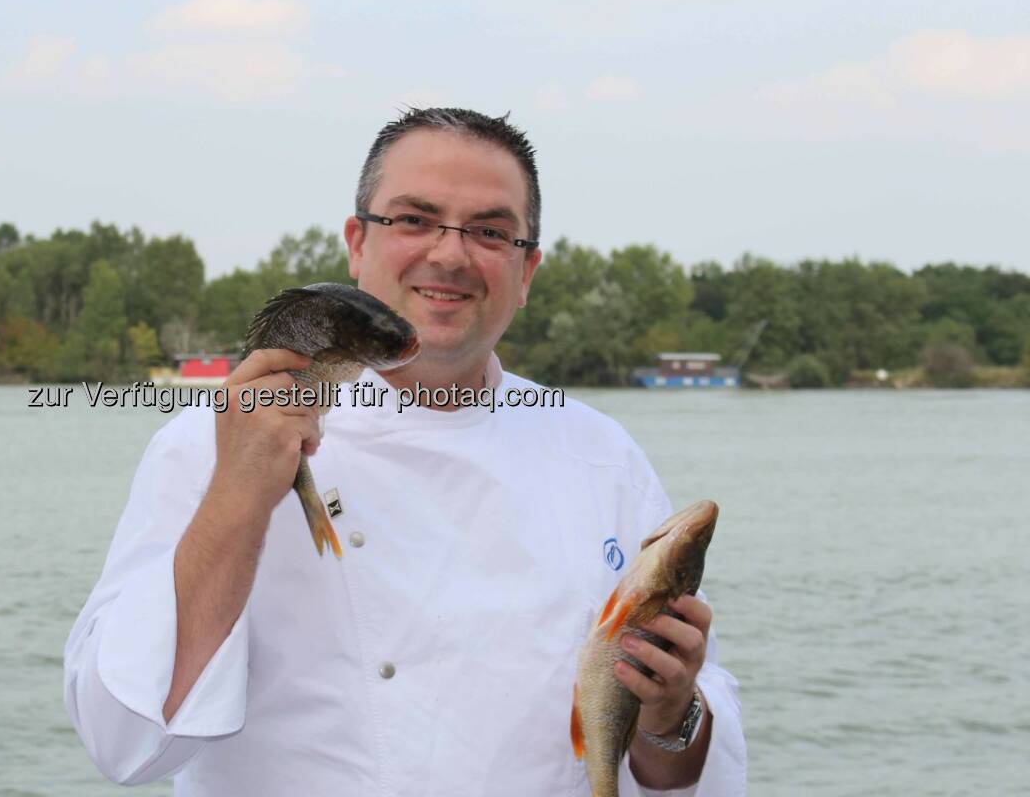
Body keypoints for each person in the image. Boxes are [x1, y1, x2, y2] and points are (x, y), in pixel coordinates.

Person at [64, 107, 747, 794]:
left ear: (528, 269)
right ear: (357, 244)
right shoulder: (214, 441)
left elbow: (678, 760)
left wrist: (671, 716)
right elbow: (123, 741)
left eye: (490, 231)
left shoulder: (604, 457)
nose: (449, 255)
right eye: (414, 219)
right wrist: (238, 497)